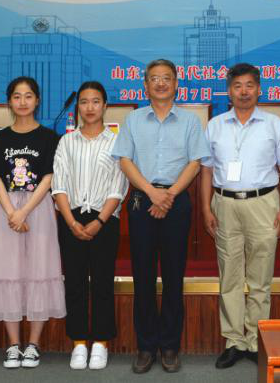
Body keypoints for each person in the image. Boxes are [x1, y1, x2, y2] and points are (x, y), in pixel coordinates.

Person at [112, 59, 211, 374]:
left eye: (166, 78)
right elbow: (124, 160)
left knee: (173, 276)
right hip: (142, 200)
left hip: (176, 201)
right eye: (154, 78)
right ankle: (145, 347)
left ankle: (169, 346)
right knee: (142, 277)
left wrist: (168, 195)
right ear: (145, 85)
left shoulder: (190, 121)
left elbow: (195, 162)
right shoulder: (133, 119)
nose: (160, 83)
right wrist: (152, 192)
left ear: (176, 84)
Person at [200, 63, 280, 369]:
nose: (244, 91)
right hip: (224, 204)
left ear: (259, 90)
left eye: (249, 86)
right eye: (237, 86)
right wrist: (205, 208)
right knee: (229, 276)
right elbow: (206, 171)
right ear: (229, 91)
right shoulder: (215, 125)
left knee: (260, 278)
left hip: (263, 203)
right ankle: (233, 341)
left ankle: (256, 341)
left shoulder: (274, 125)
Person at [0, 76, 65, 369]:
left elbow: (50, 177)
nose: (23, 102)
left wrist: (24, 210)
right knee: (7, 271)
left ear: (37, 100)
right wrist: (12, 212)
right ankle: (13, 344)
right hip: (5, 210)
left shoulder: (50, 138)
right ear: (9, 101)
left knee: (40, 269)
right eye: (17, 96)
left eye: (28, 96)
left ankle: (34, 345)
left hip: (38, 208)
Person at [52, 81, 127, 371]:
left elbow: (118, 186)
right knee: (74, 282)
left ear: (105, 106)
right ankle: (79, 342)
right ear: (78, 107)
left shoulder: (117, 142)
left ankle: (101, 342)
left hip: (104, 220)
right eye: (84, 102)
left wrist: (99, 221)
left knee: (103, 282)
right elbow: (59, 184)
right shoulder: (67, 142)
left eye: (96, 101)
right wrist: (71, 222)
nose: (90, 107)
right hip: (70, 219)